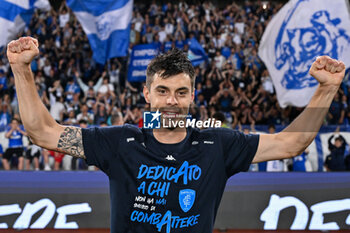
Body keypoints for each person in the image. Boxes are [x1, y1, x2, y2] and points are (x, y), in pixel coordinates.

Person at [7, 37, 346, 233]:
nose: (171, 101)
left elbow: (292, 143)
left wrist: (326, 90)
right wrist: (21, 69)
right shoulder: (119, 142)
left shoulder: (218, 144)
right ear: (147, 95)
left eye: (181, 92)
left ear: (193, 96)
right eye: (163, 90)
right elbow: (43, 133)